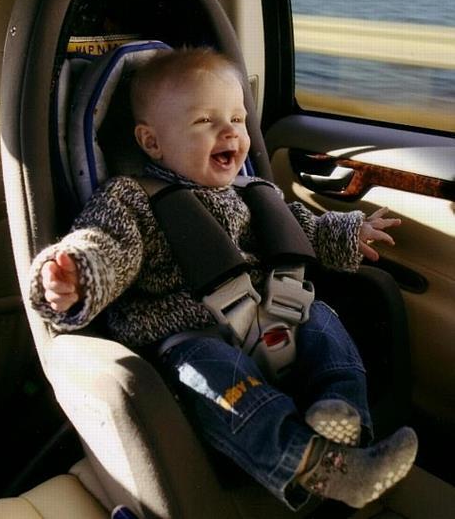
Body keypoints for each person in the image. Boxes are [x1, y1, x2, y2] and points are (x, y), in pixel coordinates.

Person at [29, 48, 417, 510]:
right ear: (153, 143)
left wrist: (349, 232)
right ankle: (311, 464)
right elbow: (106, 245)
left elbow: (299, 228)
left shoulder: (252, 192)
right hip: (189, 336)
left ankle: (342, 416)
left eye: (236, 117)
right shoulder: (132, 198)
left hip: (275, 315)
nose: (230, 129)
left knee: (324, 322)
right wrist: (77, 273)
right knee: (211, 370)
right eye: (205, 122)